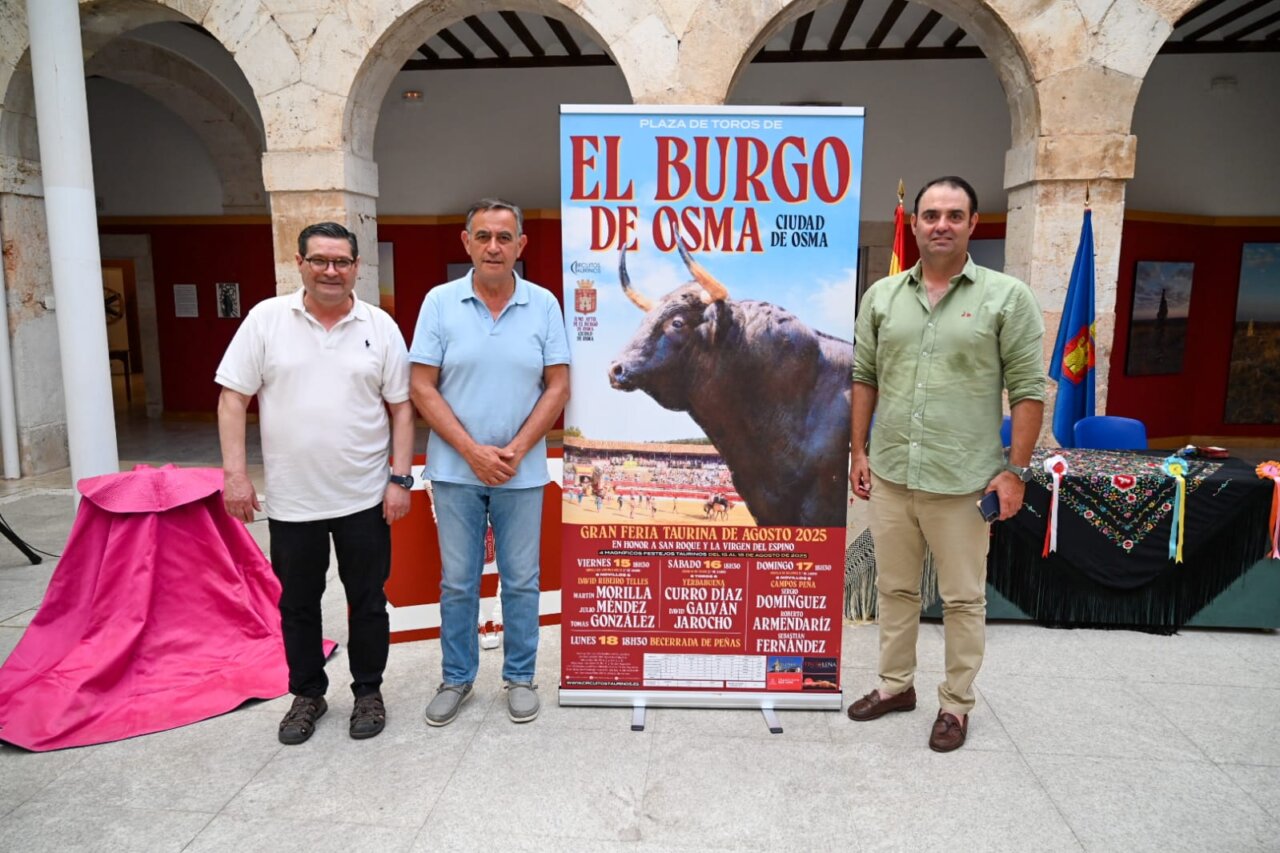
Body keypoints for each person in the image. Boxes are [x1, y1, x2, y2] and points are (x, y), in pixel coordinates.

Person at [847, 177, 1045, 752]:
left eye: (954, 215)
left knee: (962, 599)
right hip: (891, 474)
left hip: (964, 482)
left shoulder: (1007, 298)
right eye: (931, 214)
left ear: (972, 224)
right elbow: (864, 377)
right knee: (895, 589)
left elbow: (1028, 389)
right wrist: (859, 451)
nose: (941, 225)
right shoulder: (882, 297)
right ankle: (895, 686)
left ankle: (955, 704)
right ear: (913, 224)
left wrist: (1015, 471)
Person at [216, 221, 414, 745]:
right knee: (298, 603)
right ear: (299, 263)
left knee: (368, 600)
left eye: (342, 262)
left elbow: (401, 408)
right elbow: (233, 398)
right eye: (320, 260)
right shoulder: (266, 320)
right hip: (293, 499)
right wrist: (235, 476)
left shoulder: (379, 326)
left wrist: (400, 478)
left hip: (364, 497)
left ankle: (368, 691)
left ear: (356, 268)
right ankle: (307, 693)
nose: (331, 271)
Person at [409, 199, 570, 726]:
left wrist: (516, 449)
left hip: (520, 472)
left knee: (522, 580)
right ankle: (456, 677)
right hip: (456, 471)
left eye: (504, 237)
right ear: (467, 243)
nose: (494, 247)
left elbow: (558, 385)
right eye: (483, 237)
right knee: (458, 581)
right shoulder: (439, 303)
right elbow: (422, 386)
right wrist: (472, 451)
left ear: (521, 244)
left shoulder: (543, 304)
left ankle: (520, 676)